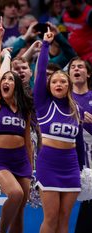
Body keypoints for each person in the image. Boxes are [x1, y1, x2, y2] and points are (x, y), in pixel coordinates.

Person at [34, 28, 85, 233]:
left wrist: (82, 169)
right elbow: (39, 74)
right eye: (54, 81)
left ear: (69, 85)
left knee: (65, 220)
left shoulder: (76, 109)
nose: (59, 84)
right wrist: (45, 45)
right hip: (49, 165)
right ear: (49, 85)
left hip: (71, 167)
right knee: (51, 217)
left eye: (63, 81)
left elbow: (79, 142)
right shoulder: (44, 104)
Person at [0, 18, 33, 233]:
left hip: (21, 160)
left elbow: (28, 142)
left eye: (10, 80)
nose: (5, 82)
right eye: (3, 80)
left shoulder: (24, 109)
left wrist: (31, 169)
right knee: (15, 194)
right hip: (1, 160)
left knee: (20, 208)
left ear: (17, 85)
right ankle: (1, 231)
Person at [68, 57, 92, 233]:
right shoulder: (63, 99)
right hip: (68, 161)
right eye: (73, 67)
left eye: (80, 67)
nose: (77, 69)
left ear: (88, 73)